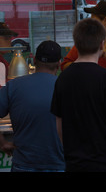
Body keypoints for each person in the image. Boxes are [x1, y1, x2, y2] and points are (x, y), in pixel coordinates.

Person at [51, 18, 106, 172]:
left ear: (76, 44)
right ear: (102, 44)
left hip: (75, 165)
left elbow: (59, 127)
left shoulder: (63, 78)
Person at [0, 40, 65, 172]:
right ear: (59, 63)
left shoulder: (13, 86)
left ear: (34, 60)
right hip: (58, 164)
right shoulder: (68, 88)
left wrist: (3, 143)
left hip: (23, 165)